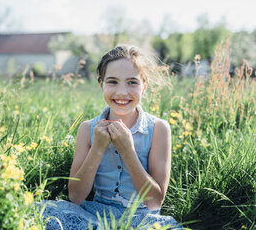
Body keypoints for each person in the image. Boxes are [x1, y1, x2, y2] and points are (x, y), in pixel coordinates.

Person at [38, 45, 183, 229]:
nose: (122, 92)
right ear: (101, 84)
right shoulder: (87, 129)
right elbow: (75, 197)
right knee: (43, 214)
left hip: (141, 219)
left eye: (132, 82)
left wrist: (127, 151)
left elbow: (154, 202)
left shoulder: (158, 129)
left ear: (144, 86)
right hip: (95, 214)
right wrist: (98, 148)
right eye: (113, 82)